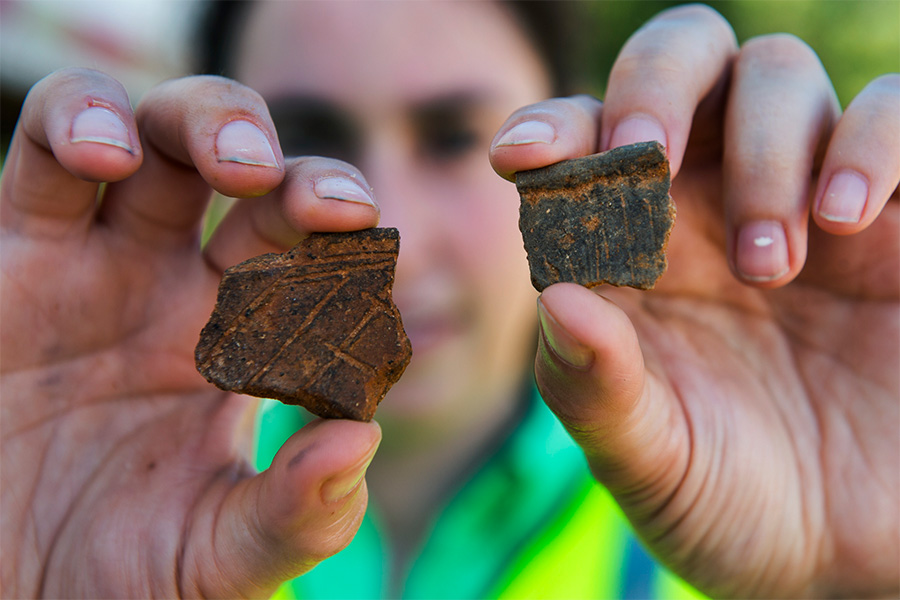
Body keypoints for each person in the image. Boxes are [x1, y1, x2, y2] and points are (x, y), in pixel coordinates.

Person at [1, 0, 897, 598]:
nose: (395, 234)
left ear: (573, 151)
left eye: (455, 136)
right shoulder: (96, 487)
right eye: (307, 139)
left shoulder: (752, 476)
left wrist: (859, 570)